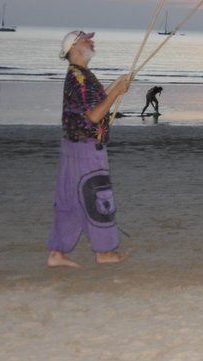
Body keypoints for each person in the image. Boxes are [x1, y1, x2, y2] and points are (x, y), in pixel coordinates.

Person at [47, 30, 132, 267]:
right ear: (74, 48)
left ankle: (56, 254)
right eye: (86, 39)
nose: (91, 41)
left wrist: (116, 85)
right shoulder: (79, 78)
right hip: (86, 149)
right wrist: (115, 92)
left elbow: (94, 103)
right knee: (98, 197)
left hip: (72, 146)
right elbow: (94, 115)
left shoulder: (79, 75)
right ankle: (104, 253)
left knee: (70, 201)